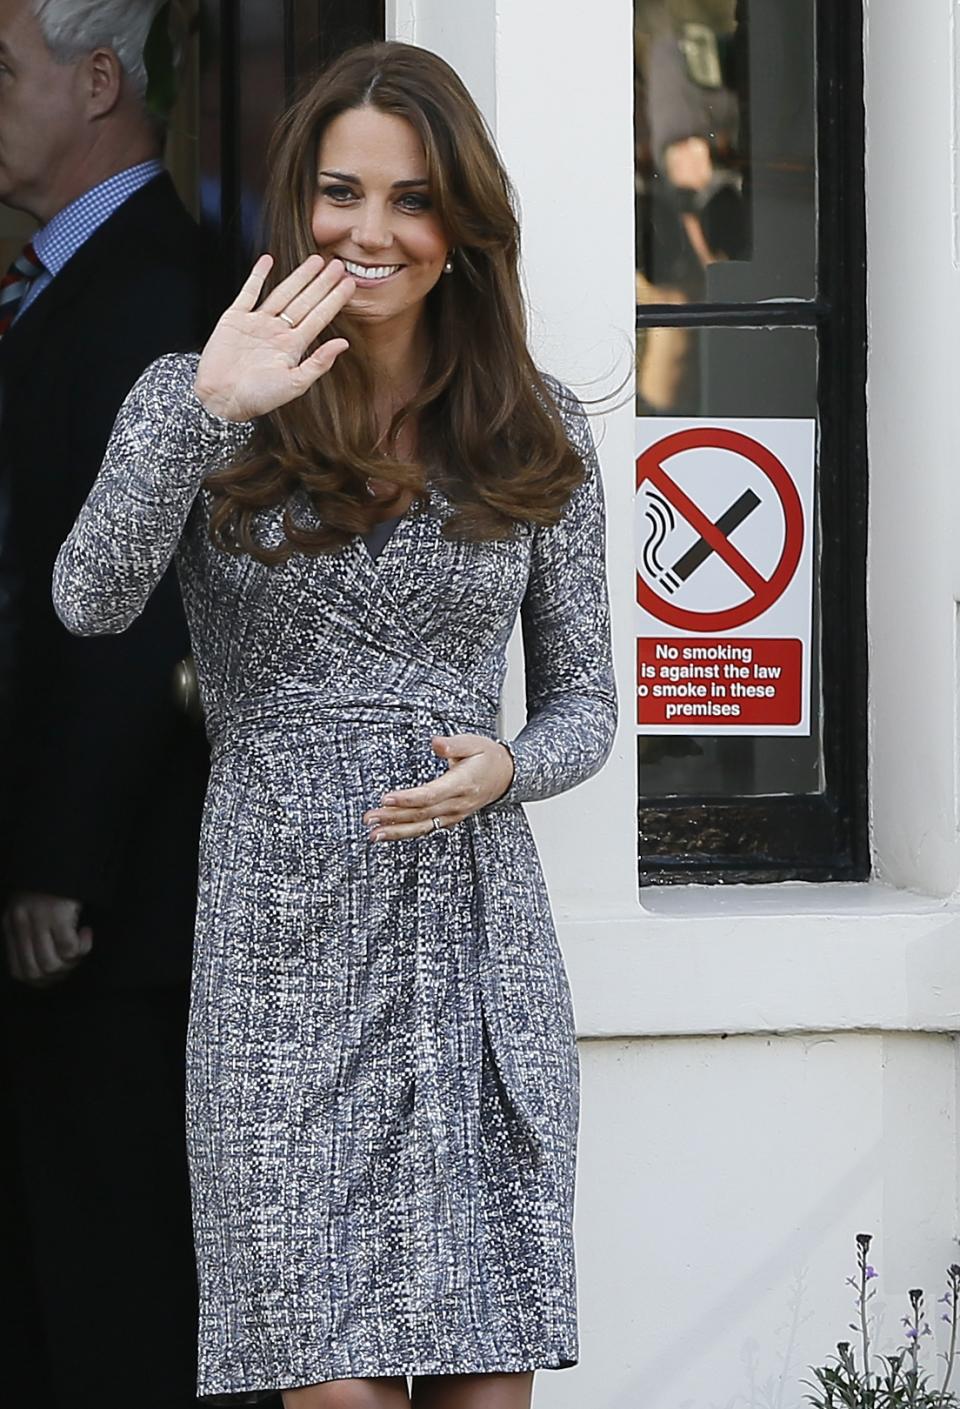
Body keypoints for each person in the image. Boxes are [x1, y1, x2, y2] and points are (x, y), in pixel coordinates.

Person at [53, 40, 617, 1409]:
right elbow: (87, 597)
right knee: (332, 1382)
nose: (370, 231)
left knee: (485, 1380)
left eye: (411, 199)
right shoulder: (201, 401)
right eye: (341, 193)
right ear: (297, 201)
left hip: (474, 950)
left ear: (459, 227)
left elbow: (590, 702)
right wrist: (201, 412)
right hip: (283, 958)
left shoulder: (534, 429)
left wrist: (509, 764)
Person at [0, 2, 211, 1405]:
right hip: (85, 896)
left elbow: (143, 605)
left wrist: (62, 861)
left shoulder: (151, 289)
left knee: (109, 1282)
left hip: (115, 909)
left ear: (96, 81)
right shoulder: (73, 279)